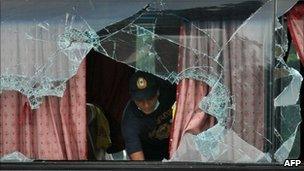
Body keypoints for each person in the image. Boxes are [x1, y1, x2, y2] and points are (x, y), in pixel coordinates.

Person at [121, 71, 176, 161]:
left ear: (157, 92)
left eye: (150, 98)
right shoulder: (129, 121)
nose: (146, 105)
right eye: (140, 100)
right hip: (150, 160)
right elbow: (138, 159)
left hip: (179, 148)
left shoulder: (169, 89)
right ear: (132, 98)